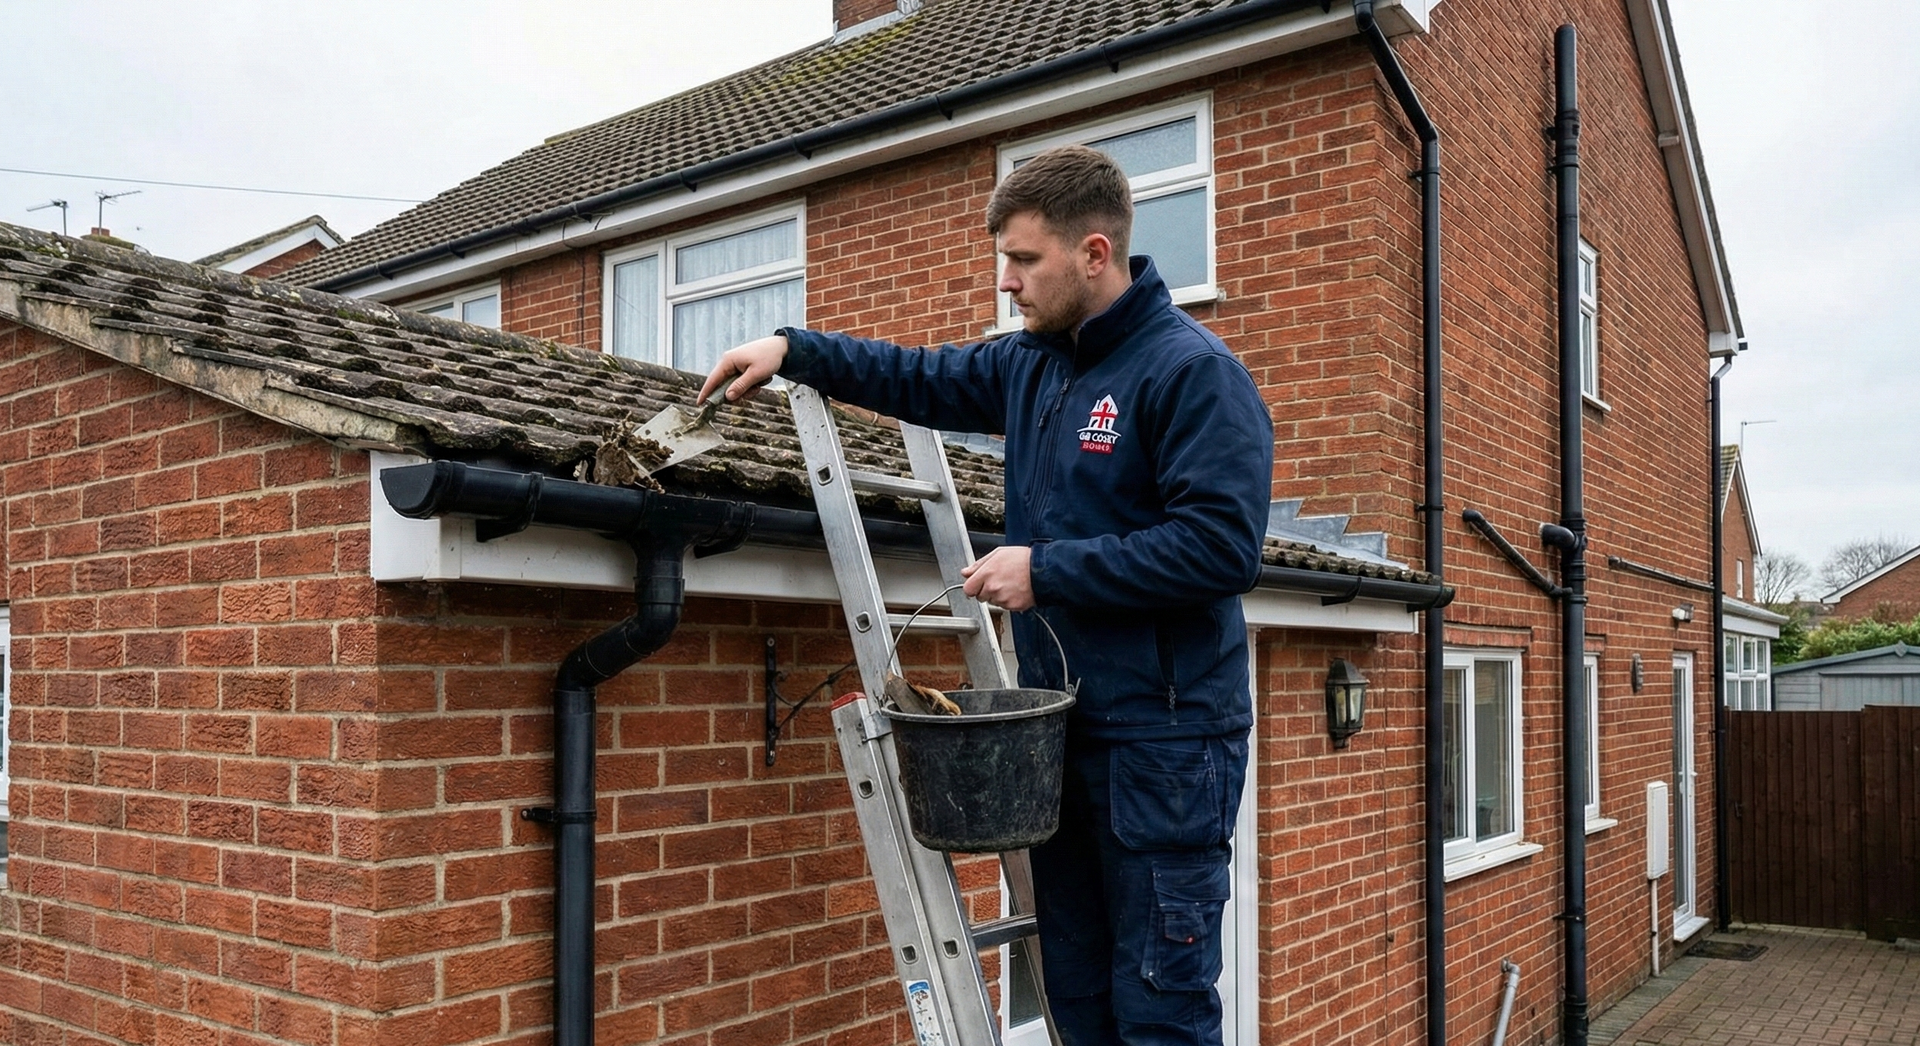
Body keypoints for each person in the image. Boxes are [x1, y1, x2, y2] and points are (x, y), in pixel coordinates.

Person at [699, 144, 1274, 1046]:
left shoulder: (1191, 372)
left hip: (1165, 745)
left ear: (1094, 252)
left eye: (1024, 260)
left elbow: (1221, 548)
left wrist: (1044, 570)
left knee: (1160, 1009)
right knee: (1077, 999)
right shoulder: (1034, 367)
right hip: (1057, 731)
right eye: (1002, 259)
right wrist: (792, 348)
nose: (1006, 282)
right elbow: (918, 377)